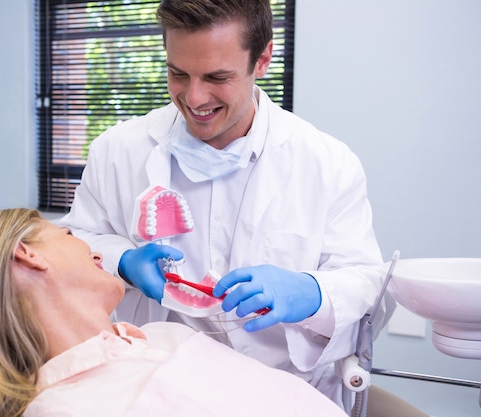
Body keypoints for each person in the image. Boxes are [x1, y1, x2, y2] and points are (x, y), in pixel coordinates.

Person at [59, 0, 394, 412]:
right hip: (158, 391)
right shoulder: (117, 151)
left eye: (217, 77)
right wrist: (121, 259)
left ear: (263, 60)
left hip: (286, 391)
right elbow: (75, 243)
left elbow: (365, 282)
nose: (194, 97)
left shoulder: (326, 162)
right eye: (177, 73)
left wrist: (314, 292)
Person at [0, 208, 348, 417]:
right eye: (67, 232)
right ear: (28, 255)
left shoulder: (159, 334)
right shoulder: (65, 409)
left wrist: (316, 292)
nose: (92, 246)